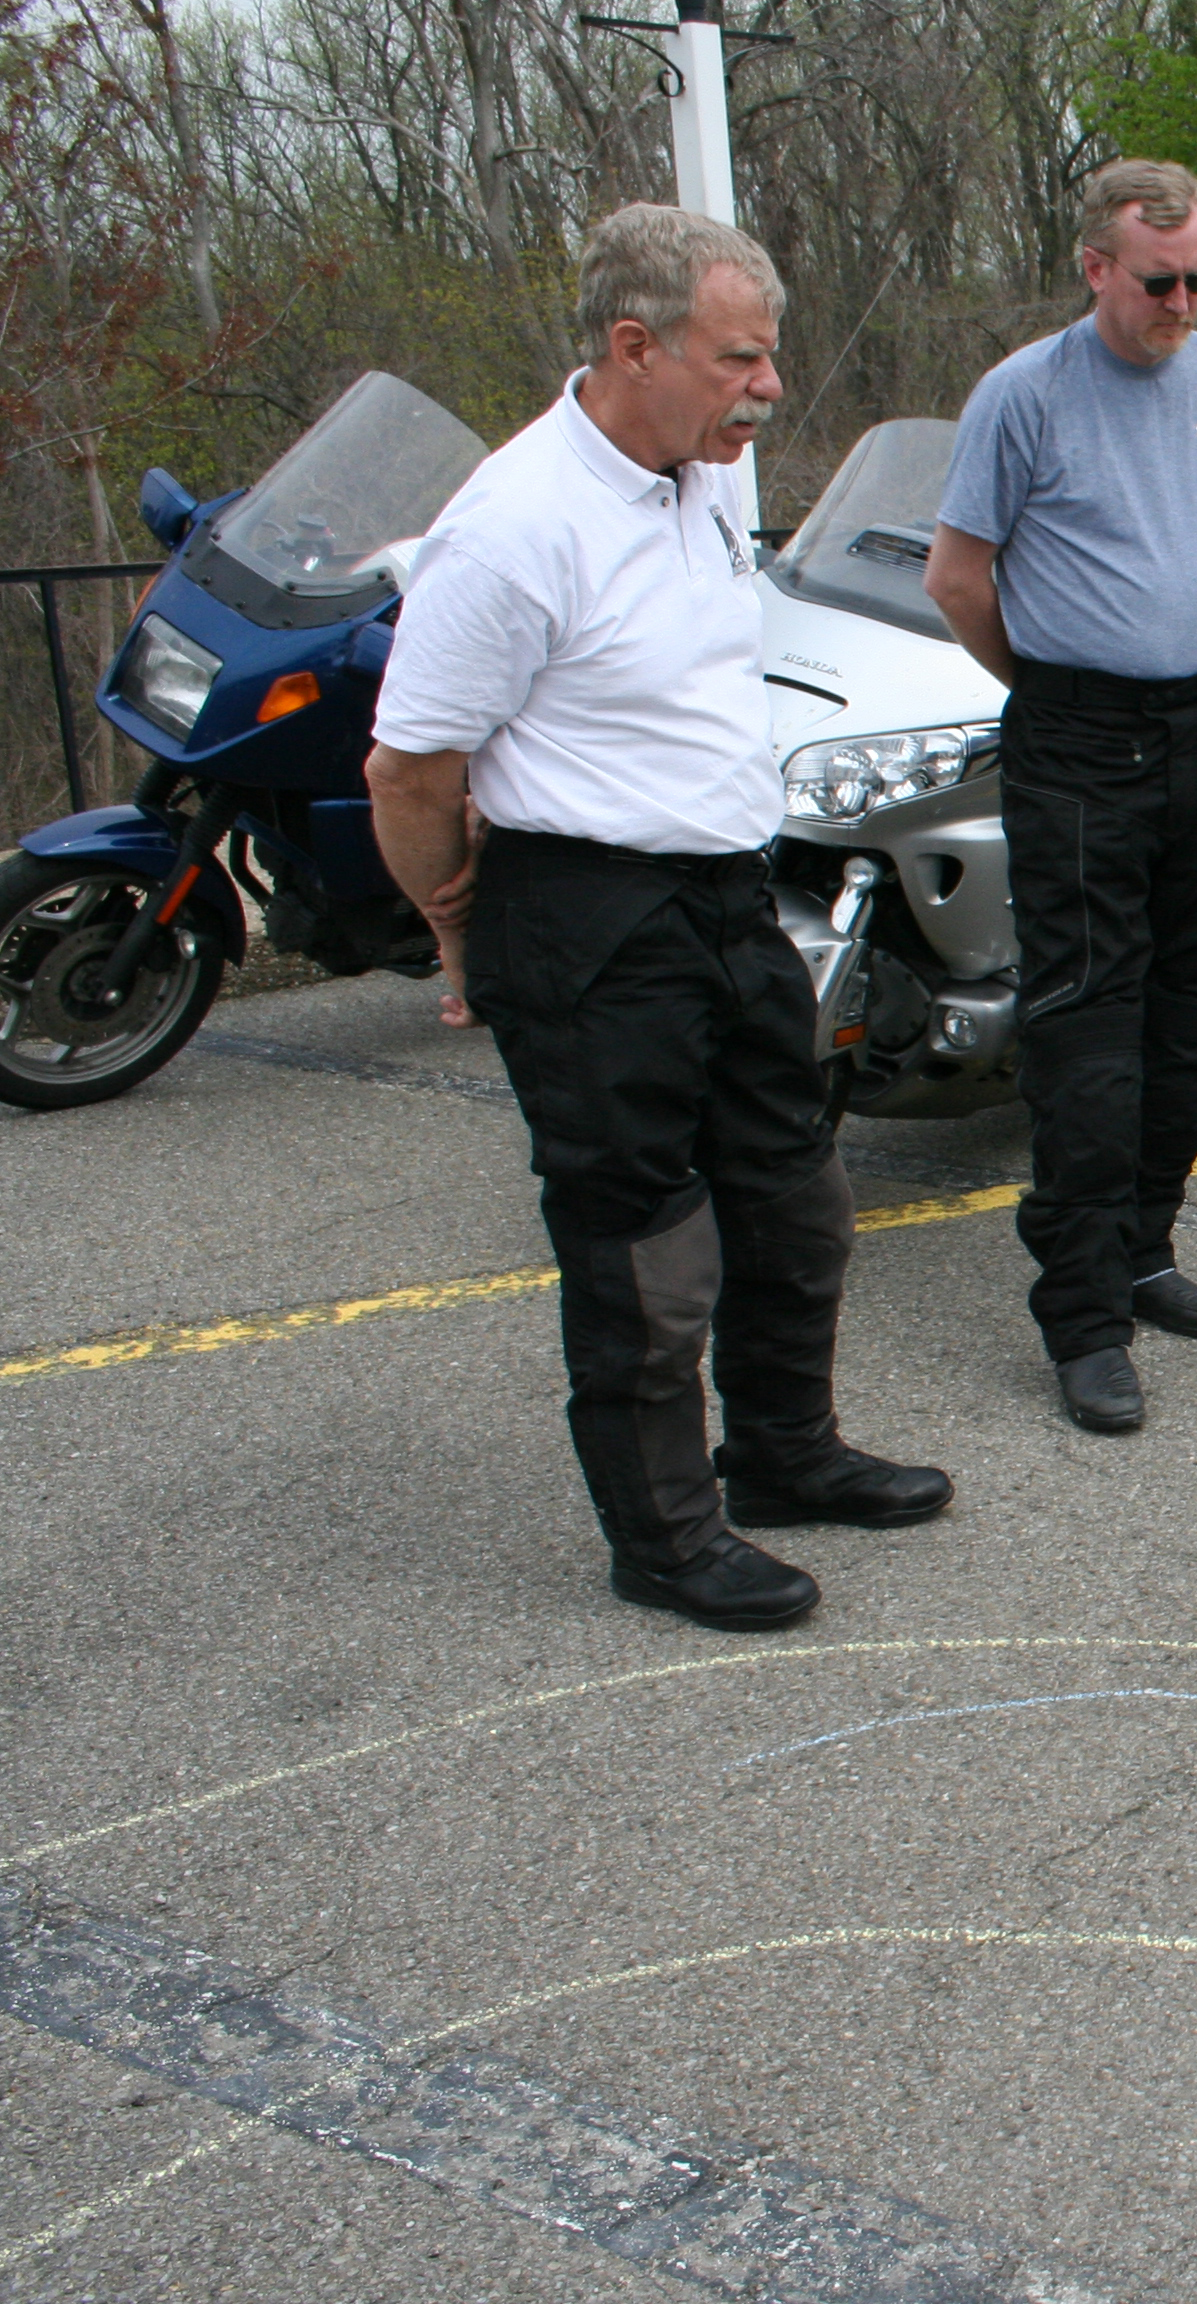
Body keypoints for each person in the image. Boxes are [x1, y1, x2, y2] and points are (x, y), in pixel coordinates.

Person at [365, 205, 951, 1633]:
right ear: (636, 347)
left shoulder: (703, 477)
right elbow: (408, 766)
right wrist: (457, 930)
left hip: (724, 897)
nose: (769, 388)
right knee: (645, 1250)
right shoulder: (511, 531)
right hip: (585, 917)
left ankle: (784, 1456)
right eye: (741, 360)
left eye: (772, 358)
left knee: (794, 1203)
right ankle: (665, 1537)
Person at [925, 159, 1197, 1434]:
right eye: (1157, 282)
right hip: (1080, 739)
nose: (1182, 303)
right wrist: (1059, 682)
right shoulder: (1022, 396)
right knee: (1086, 1033)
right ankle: (1081, 1315)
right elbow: (958, 578)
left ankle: (1143, 1247)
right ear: (1095, 269)